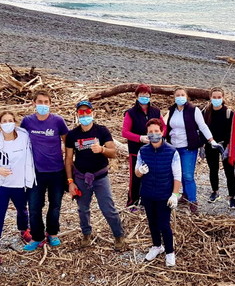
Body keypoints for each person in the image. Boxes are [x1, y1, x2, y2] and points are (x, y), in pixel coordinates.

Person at [65, 101, 125, 250]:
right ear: (77, 115)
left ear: (93, 113)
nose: (84, 115)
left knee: (108, 208)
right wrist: (70, 181)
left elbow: (113, 152)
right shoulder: (72, 135)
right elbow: (68, 159)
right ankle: (86, 234)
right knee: (83, 209)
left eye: (87, 112)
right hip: (80, 177)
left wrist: (102, 149)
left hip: (100, 177)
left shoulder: (102, 131)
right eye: (81, 113)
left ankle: (119, 236)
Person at [22, 90, 69, 251]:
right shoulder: (27, 122)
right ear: (33, 103)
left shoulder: (58, 121)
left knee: (55, 205)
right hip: (35, 172)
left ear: (50, 104)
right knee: (34, 207)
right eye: (39, 102)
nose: (43, 105)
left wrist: (69, 164)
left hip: (57, 171)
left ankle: (53, 233)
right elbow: (20, 141)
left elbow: (67, 142)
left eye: (46, 102)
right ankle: (37, 237)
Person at [135, 118, 181, 266]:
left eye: (156, 131)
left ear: (162, 132)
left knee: (164, 224)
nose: (153, 134)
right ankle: (156, 246)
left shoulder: (171, 152)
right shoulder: (143, 151)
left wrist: (174, 194)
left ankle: (169, 252)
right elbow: (137, 173)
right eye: (150, 132)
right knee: (152, 222)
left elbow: (177, 176)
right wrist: (140, 171)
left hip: (164, 195)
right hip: (148, 193)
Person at [166, 87, 218, 213]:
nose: (180, 97)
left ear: (186, 96)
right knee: (178, 173)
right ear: (174, 97)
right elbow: (165, 125)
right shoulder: (171, 110)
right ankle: (184, 194)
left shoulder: (193, 110)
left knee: (188, 175)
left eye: (182, 94)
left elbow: (202, 126)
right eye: (177, 95)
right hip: (174, 147)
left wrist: (211, 140)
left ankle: (193, 201)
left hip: (188, 147)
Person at [122, 84, 166, 209]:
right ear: (136, 96)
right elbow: (125, 132)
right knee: (136, 177)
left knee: (151, 175)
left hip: (153, 149)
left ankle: (146, 200)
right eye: (141, 95)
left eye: (146, 95)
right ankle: (132, 202)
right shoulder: (130, 113)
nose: (144, 98)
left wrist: (160, 137)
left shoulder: (156, 111)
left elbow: (164, 127)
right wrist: (140, 138)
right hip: (136, 150)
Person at [0, 111, 35, 244]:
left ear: (15, 122)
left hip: (19, 183)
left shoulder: (24, 137)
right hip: (2, 185)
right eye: (4, 121)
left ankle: (24, 229)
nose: (8, 123)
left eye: (10, 120)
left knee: (22, 209)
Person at [202, 87, 235, 208]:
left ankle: (232, 196)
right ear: (210, 98)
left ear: (223, 98)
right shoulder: (206, 112)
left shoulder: (229, 113)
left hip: (225, 145)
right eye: (214, 97)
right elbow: (202, 129)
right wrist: (203, 144)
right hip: (211, 144)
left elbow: (232, 131)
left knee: (229, 171)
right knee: (213, 169)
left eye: (219, 97)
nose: (216, 99)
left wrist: (228, 146)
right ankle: (215, 191)